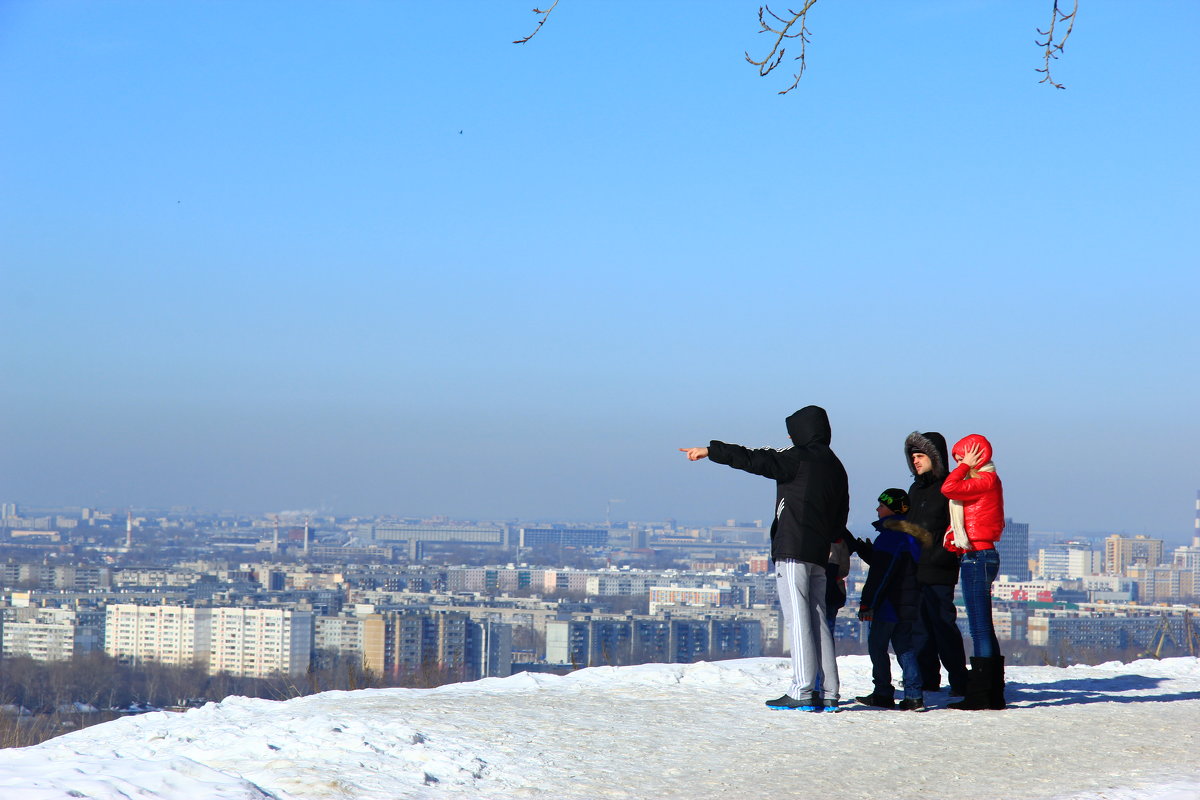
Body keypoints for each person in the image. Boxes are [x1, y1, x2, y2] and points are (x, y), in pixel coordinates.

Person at [680, 405, 849, 712]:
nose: (788, 435)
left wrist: (710, 451)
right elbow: (841, 518)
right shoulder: (837, 467)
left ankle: (801, 689)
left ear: (802, 431)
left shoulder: (796, 458)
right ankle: (829, 692)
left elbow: (754, 457)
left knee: (798, 621)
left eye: (792, 430)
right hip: (820, 552)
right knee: (818, 619)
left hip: (793, 548)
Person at [940, 433, 1006, 711]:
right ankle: (991, 693)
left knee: (979, 627)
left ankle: (982, 694)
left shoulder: (984, 480)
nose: (959, 462)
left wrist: (963, 467)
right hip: (978, 554)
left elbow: (949, 488)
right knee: (983, 627)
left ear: (975, 454)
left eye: (963, 456)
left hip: (977, 556)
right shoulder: (986, 481)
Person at [900, 431, 969, 696]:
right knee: (920, 628)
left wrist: (943, 556)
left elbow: (956, 526)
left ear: (934, 457)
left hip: (939, 568)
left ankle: (960, 680)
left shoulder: (949, 487)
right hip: (915, 568)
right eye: (913, 457)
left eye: (920, 456)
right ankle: (928, 678)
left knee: (943, 627)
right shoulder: (915, 488)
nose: (916, 461)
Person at [848, 488, 927, 711]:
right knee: (905, 647)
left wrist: (868, 603)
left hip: (890, 603)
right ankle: (914, 695)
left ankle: (882, 692)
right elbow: (896, 566)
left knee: (877, 646)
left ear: (892, 509)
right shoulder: (911, 534)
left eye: (881, 505)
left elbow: (881, 574)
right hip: (910, 601)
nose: (877, 509)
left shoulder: (890, 536)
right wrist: (867, 552)